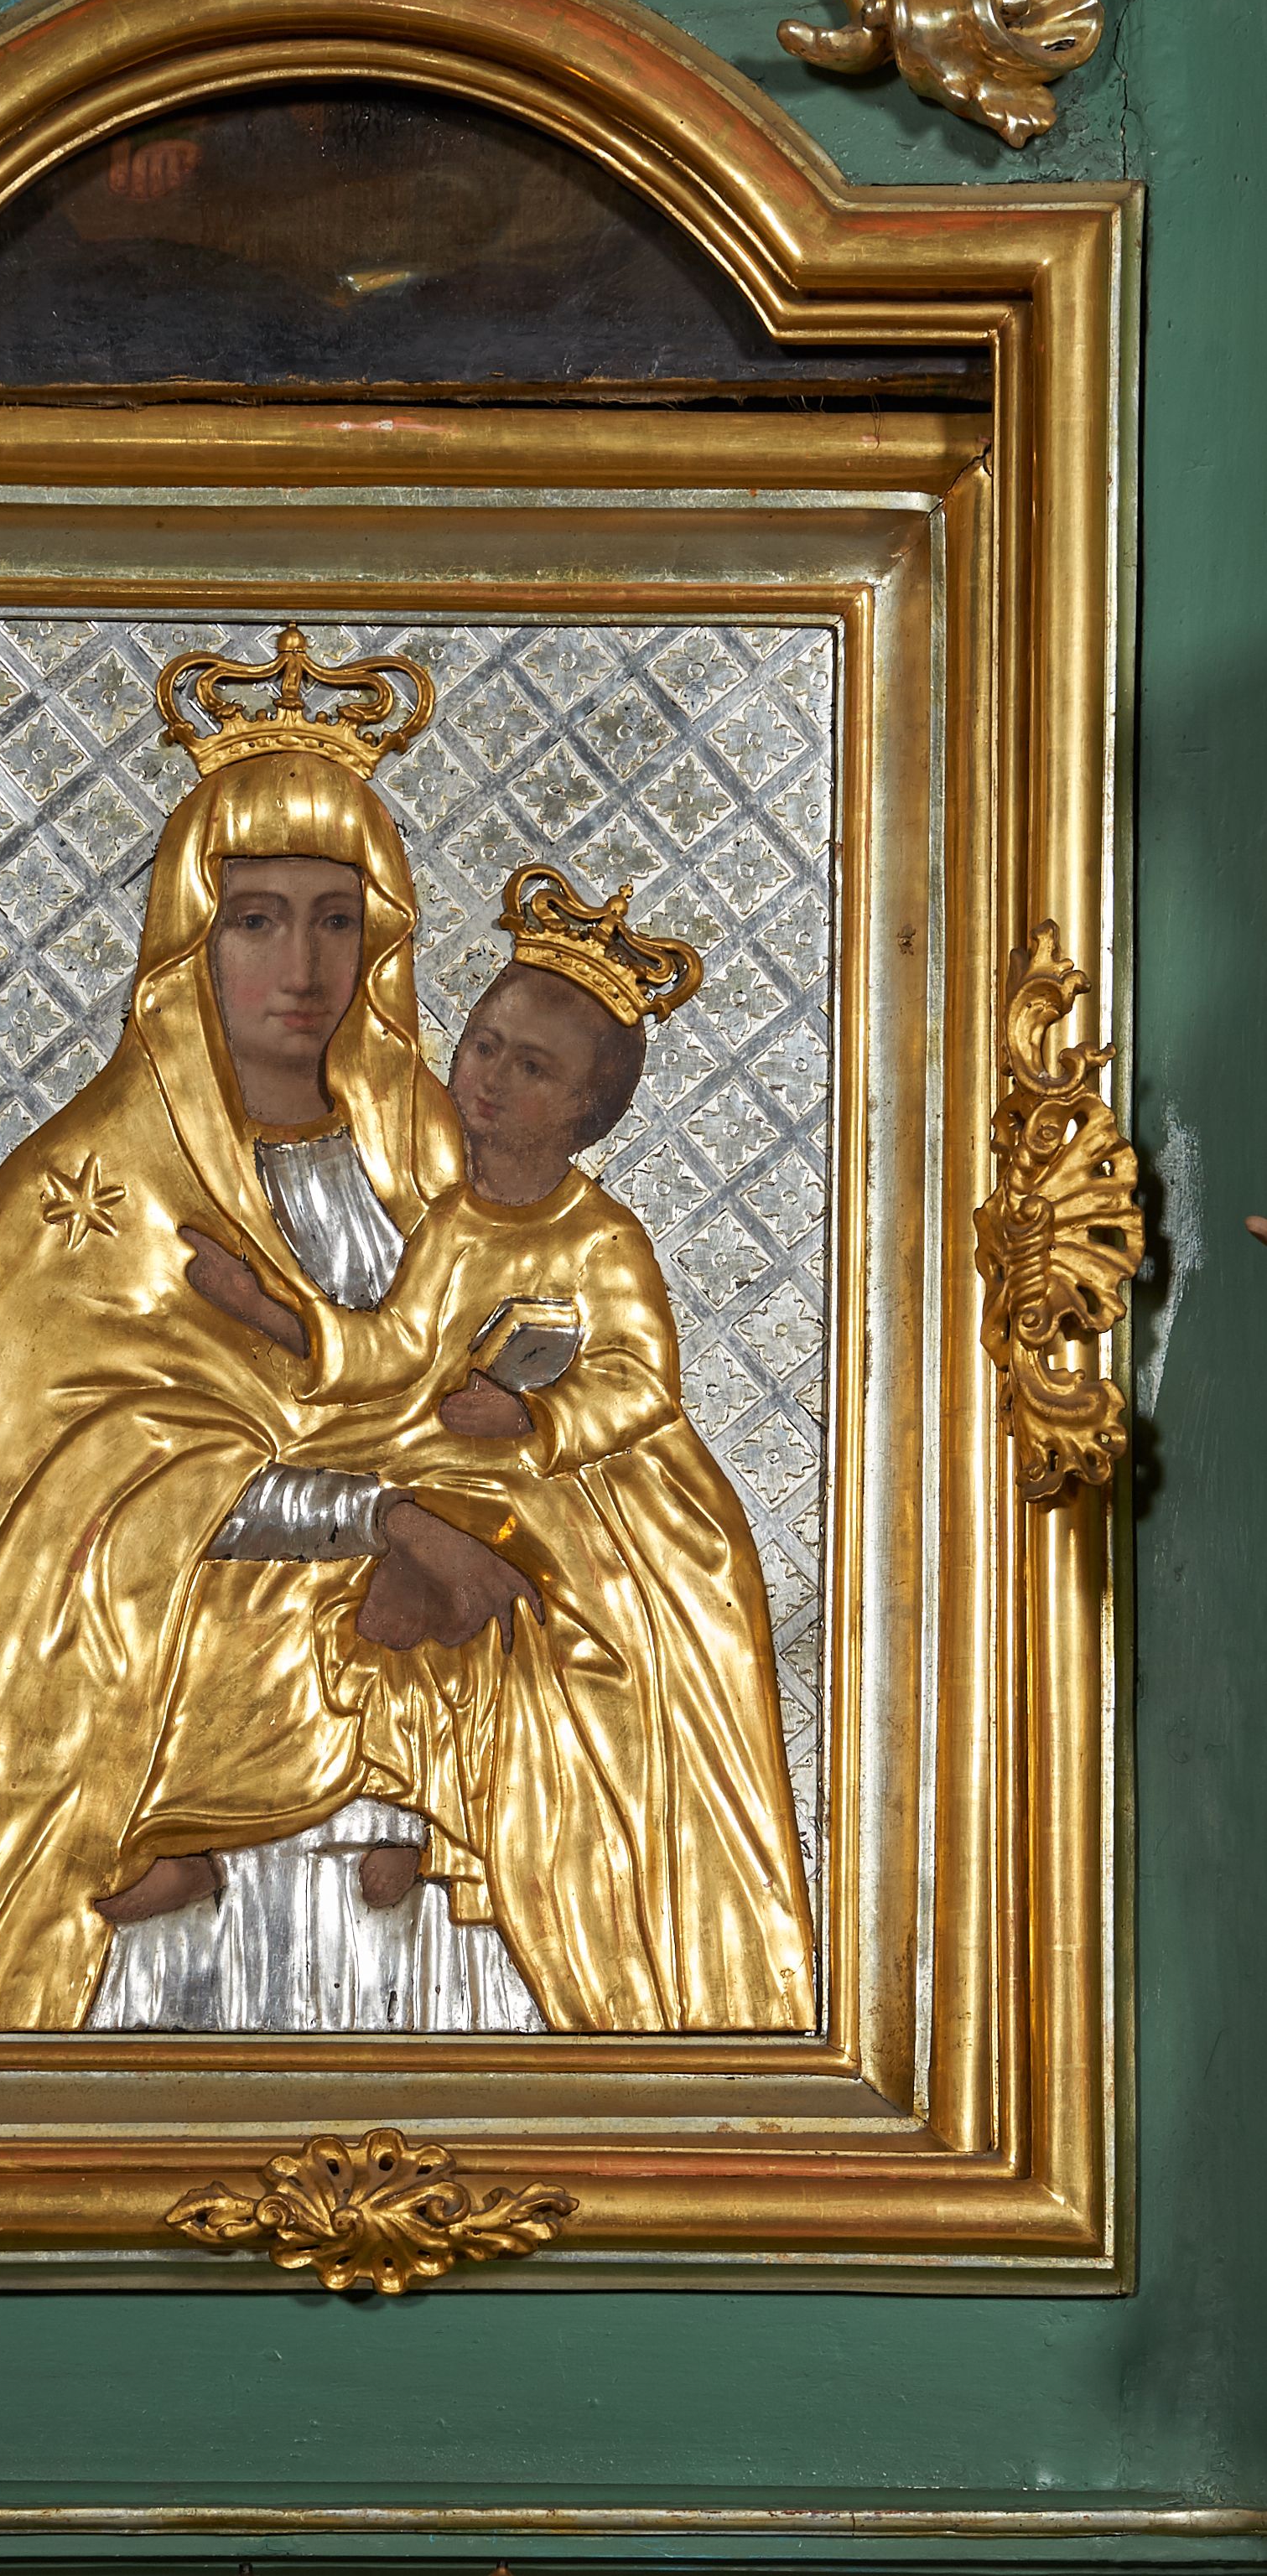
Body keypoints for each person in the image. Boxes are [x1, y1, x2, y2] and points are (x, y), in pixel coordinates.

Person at [0, 672, 537, 2035]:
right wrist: (379, 1512)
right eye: (255, 919)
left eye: (336, 919)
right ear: (187, 937)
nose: (303, 968)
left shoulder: (431, 1163)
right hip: (174, 1722)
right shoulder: (82, 1191)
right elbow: (76, 1485)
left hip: (427, 1727)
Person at [165, 869, 818, 2034]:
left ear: (586, 1110)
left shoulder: (600, 1238)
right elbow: (390, 1348)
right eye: (482, 1046)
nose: (488, 1078)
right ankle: (358, 1806)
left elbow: (639, 1383)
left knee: (480, 1613)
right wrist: (267, 1311)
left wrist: (536, 1422)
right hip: (449, 1454)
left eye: (532, 1069)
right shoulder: (453, 1223)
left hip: (589, 1492)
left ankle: (431, 1828)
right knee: (320, 1559)